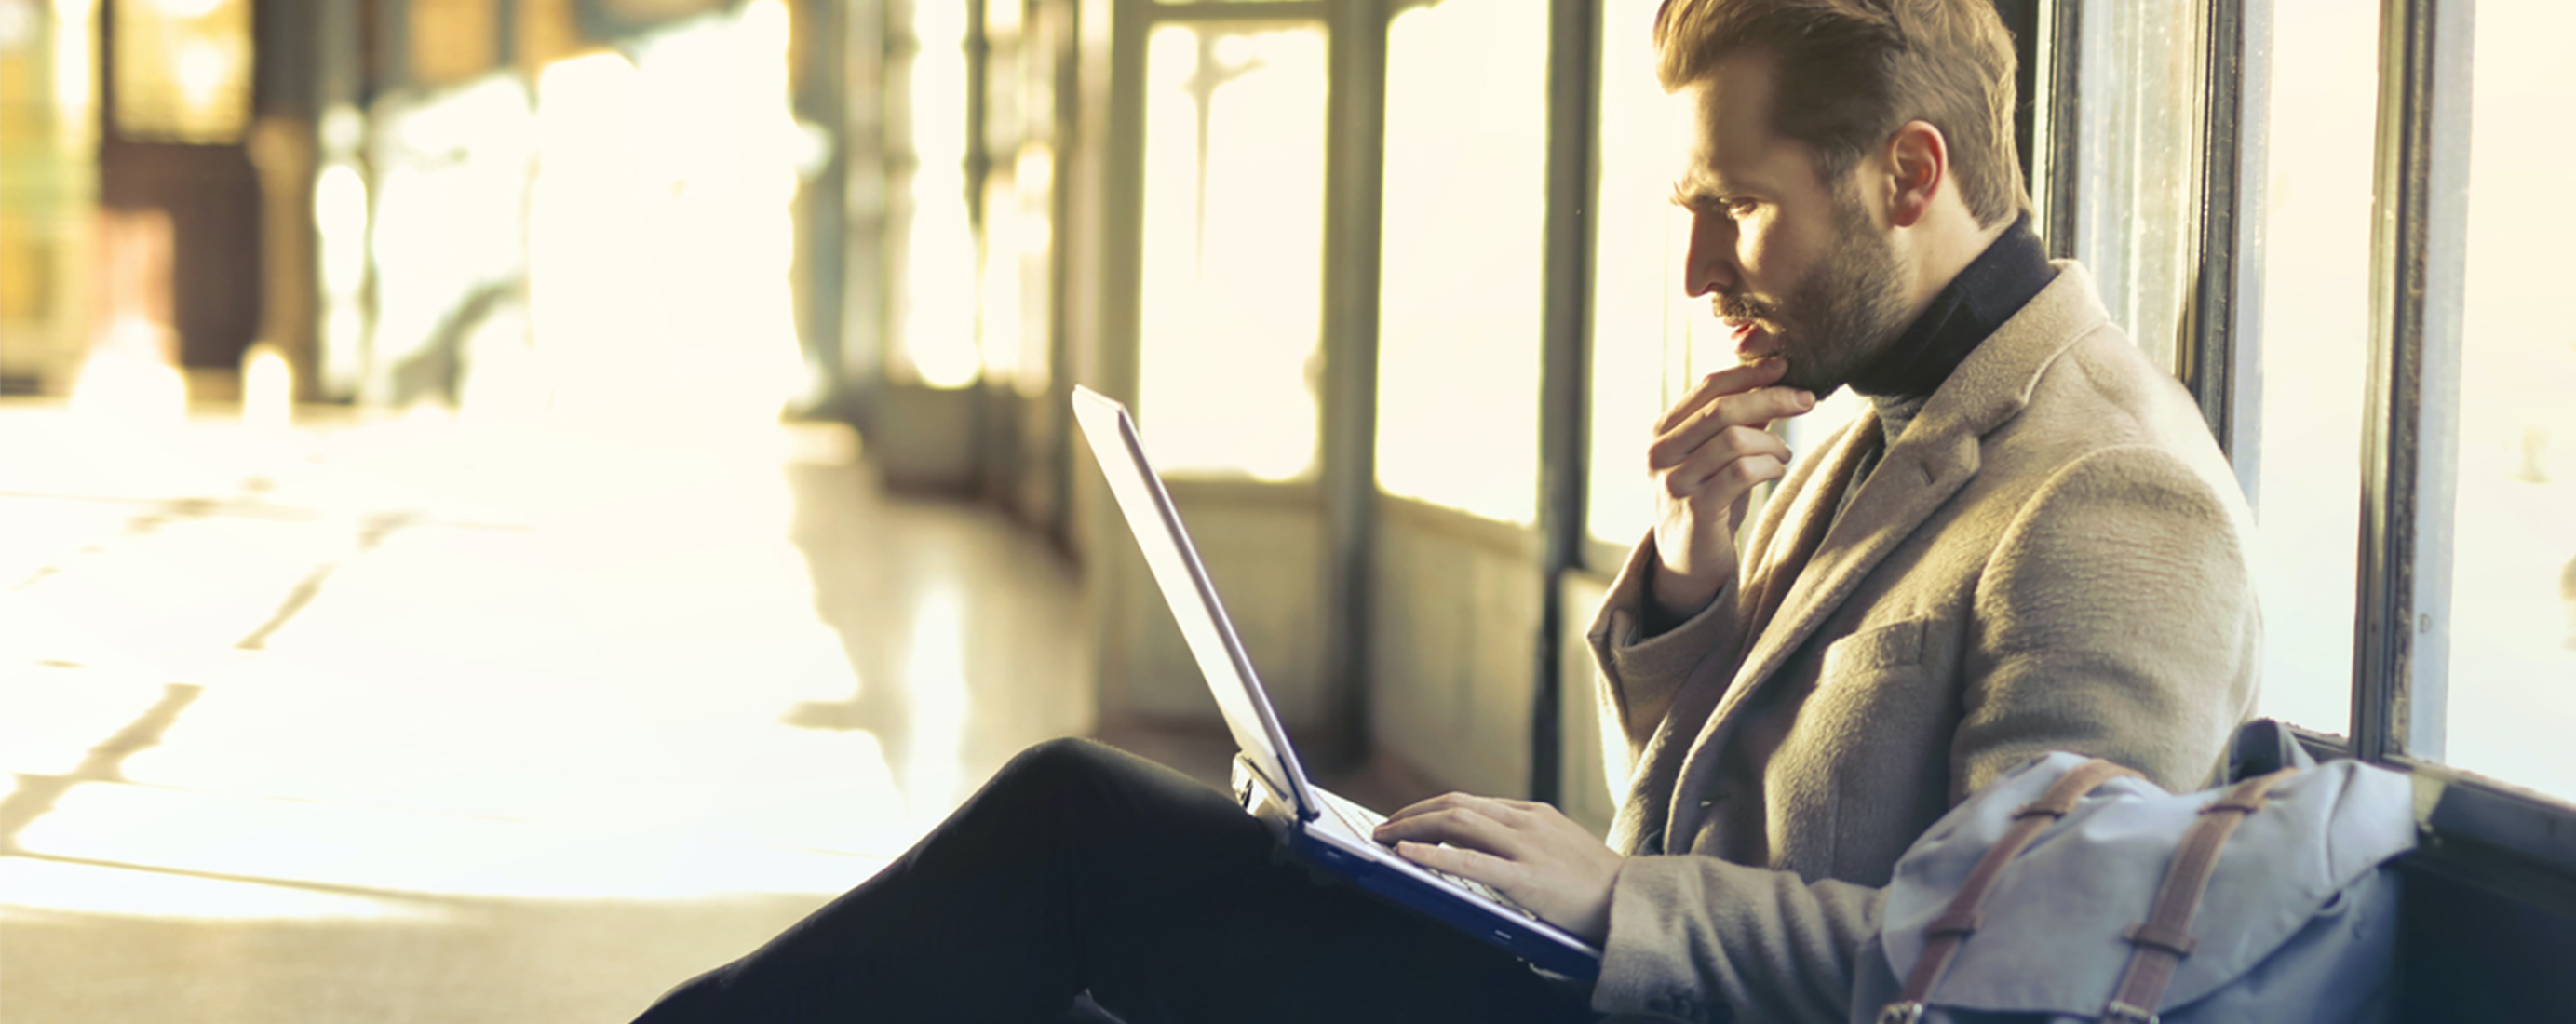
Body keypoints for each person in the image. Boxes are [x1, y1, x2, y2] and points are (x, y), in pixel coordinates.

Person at [628, 0, 2258, 1021]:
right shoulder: (1868, 408)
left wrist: (1615, 901)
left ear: (1912, 176)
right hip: (1600, 981)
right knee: (1088, 864)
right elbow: (1723, 811)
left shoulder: (2110, 495)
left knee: (1082, 841)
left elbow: (2022, 974)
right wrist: (1696, 573)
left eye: (1741, 211)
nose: (1700, 277)